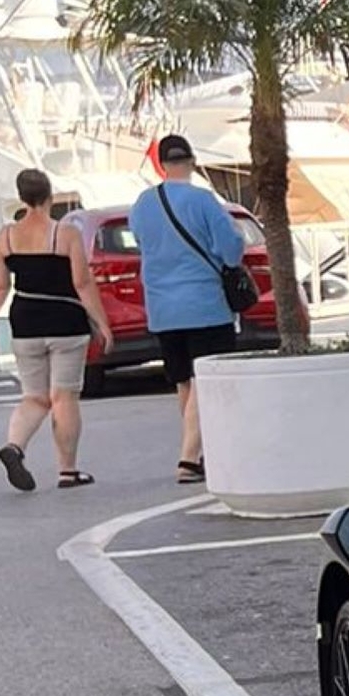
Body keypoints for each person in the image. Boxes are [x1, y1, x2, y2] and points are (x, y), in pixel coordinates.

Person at [0, 166, 110, 490]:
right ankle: (68, 471)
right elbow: (81, 282)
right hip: (65, 321)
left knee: (34, 397)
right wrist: (102, 323)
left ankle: (14, 446)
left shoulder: (5, 236)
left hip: (24, 322)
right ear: (49, 196)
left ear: (21, 198)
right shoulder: (64, 234)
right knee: (64, 396)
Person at [129, 133, 247, 484]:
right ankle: (189, 458)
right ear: (192, 162)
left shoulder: (143, 203)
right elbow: (229, 247)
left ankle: (199, 449)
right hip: (204, 303)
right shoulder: (204, 200)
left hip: (162, 307)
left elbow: (139, 241)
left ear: (161, 164)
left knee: (184, 382)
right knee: (203, 381)